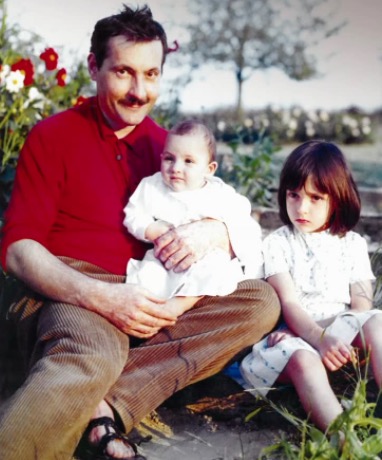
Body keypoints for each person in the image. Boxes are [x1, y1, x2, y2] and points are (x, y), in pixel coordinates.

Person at [0, 4, 280, 460]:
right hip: (72, 289)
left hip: (154, 290)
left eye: (151, 74)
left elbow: (238, 219)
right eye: (124, 73)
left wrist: (214, 231)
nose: (139, 91)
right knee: (94, 351)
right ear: (94, 67)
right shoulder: (53, 137)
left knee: (259, 301)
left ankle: (105, 406)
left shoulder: (168, 150)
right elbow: (17, 251)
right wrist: (101, 297)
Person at [240, 140, 382, 435]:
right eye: (294, 195)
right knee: (304, 362)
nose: (301, 207)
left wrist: (336, 335)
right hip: (297, 335)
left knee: (377, 322)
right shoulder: (278, 243)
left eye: (316, 198)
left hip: (338, 330)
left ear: (338, 199)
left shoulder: (352, 244)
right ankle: (344, 439)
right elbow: (290, 304)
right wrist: (317, 337)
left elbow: (361, 305)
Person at [123, 119, 264, 310]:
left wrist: (222, 229)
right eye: (169, 158)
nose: (176, 168)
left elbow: (241, 215)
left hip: (203, 260)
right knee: (148, 276)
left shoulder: (218, 192)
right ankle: (150, 311)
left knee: (215, 270)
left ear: (209, 169)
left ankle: (180, 305)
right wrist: (150, 229)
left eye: (188, 161)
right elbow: (133, 213)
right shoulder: (153, 186)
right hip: (165, 259)